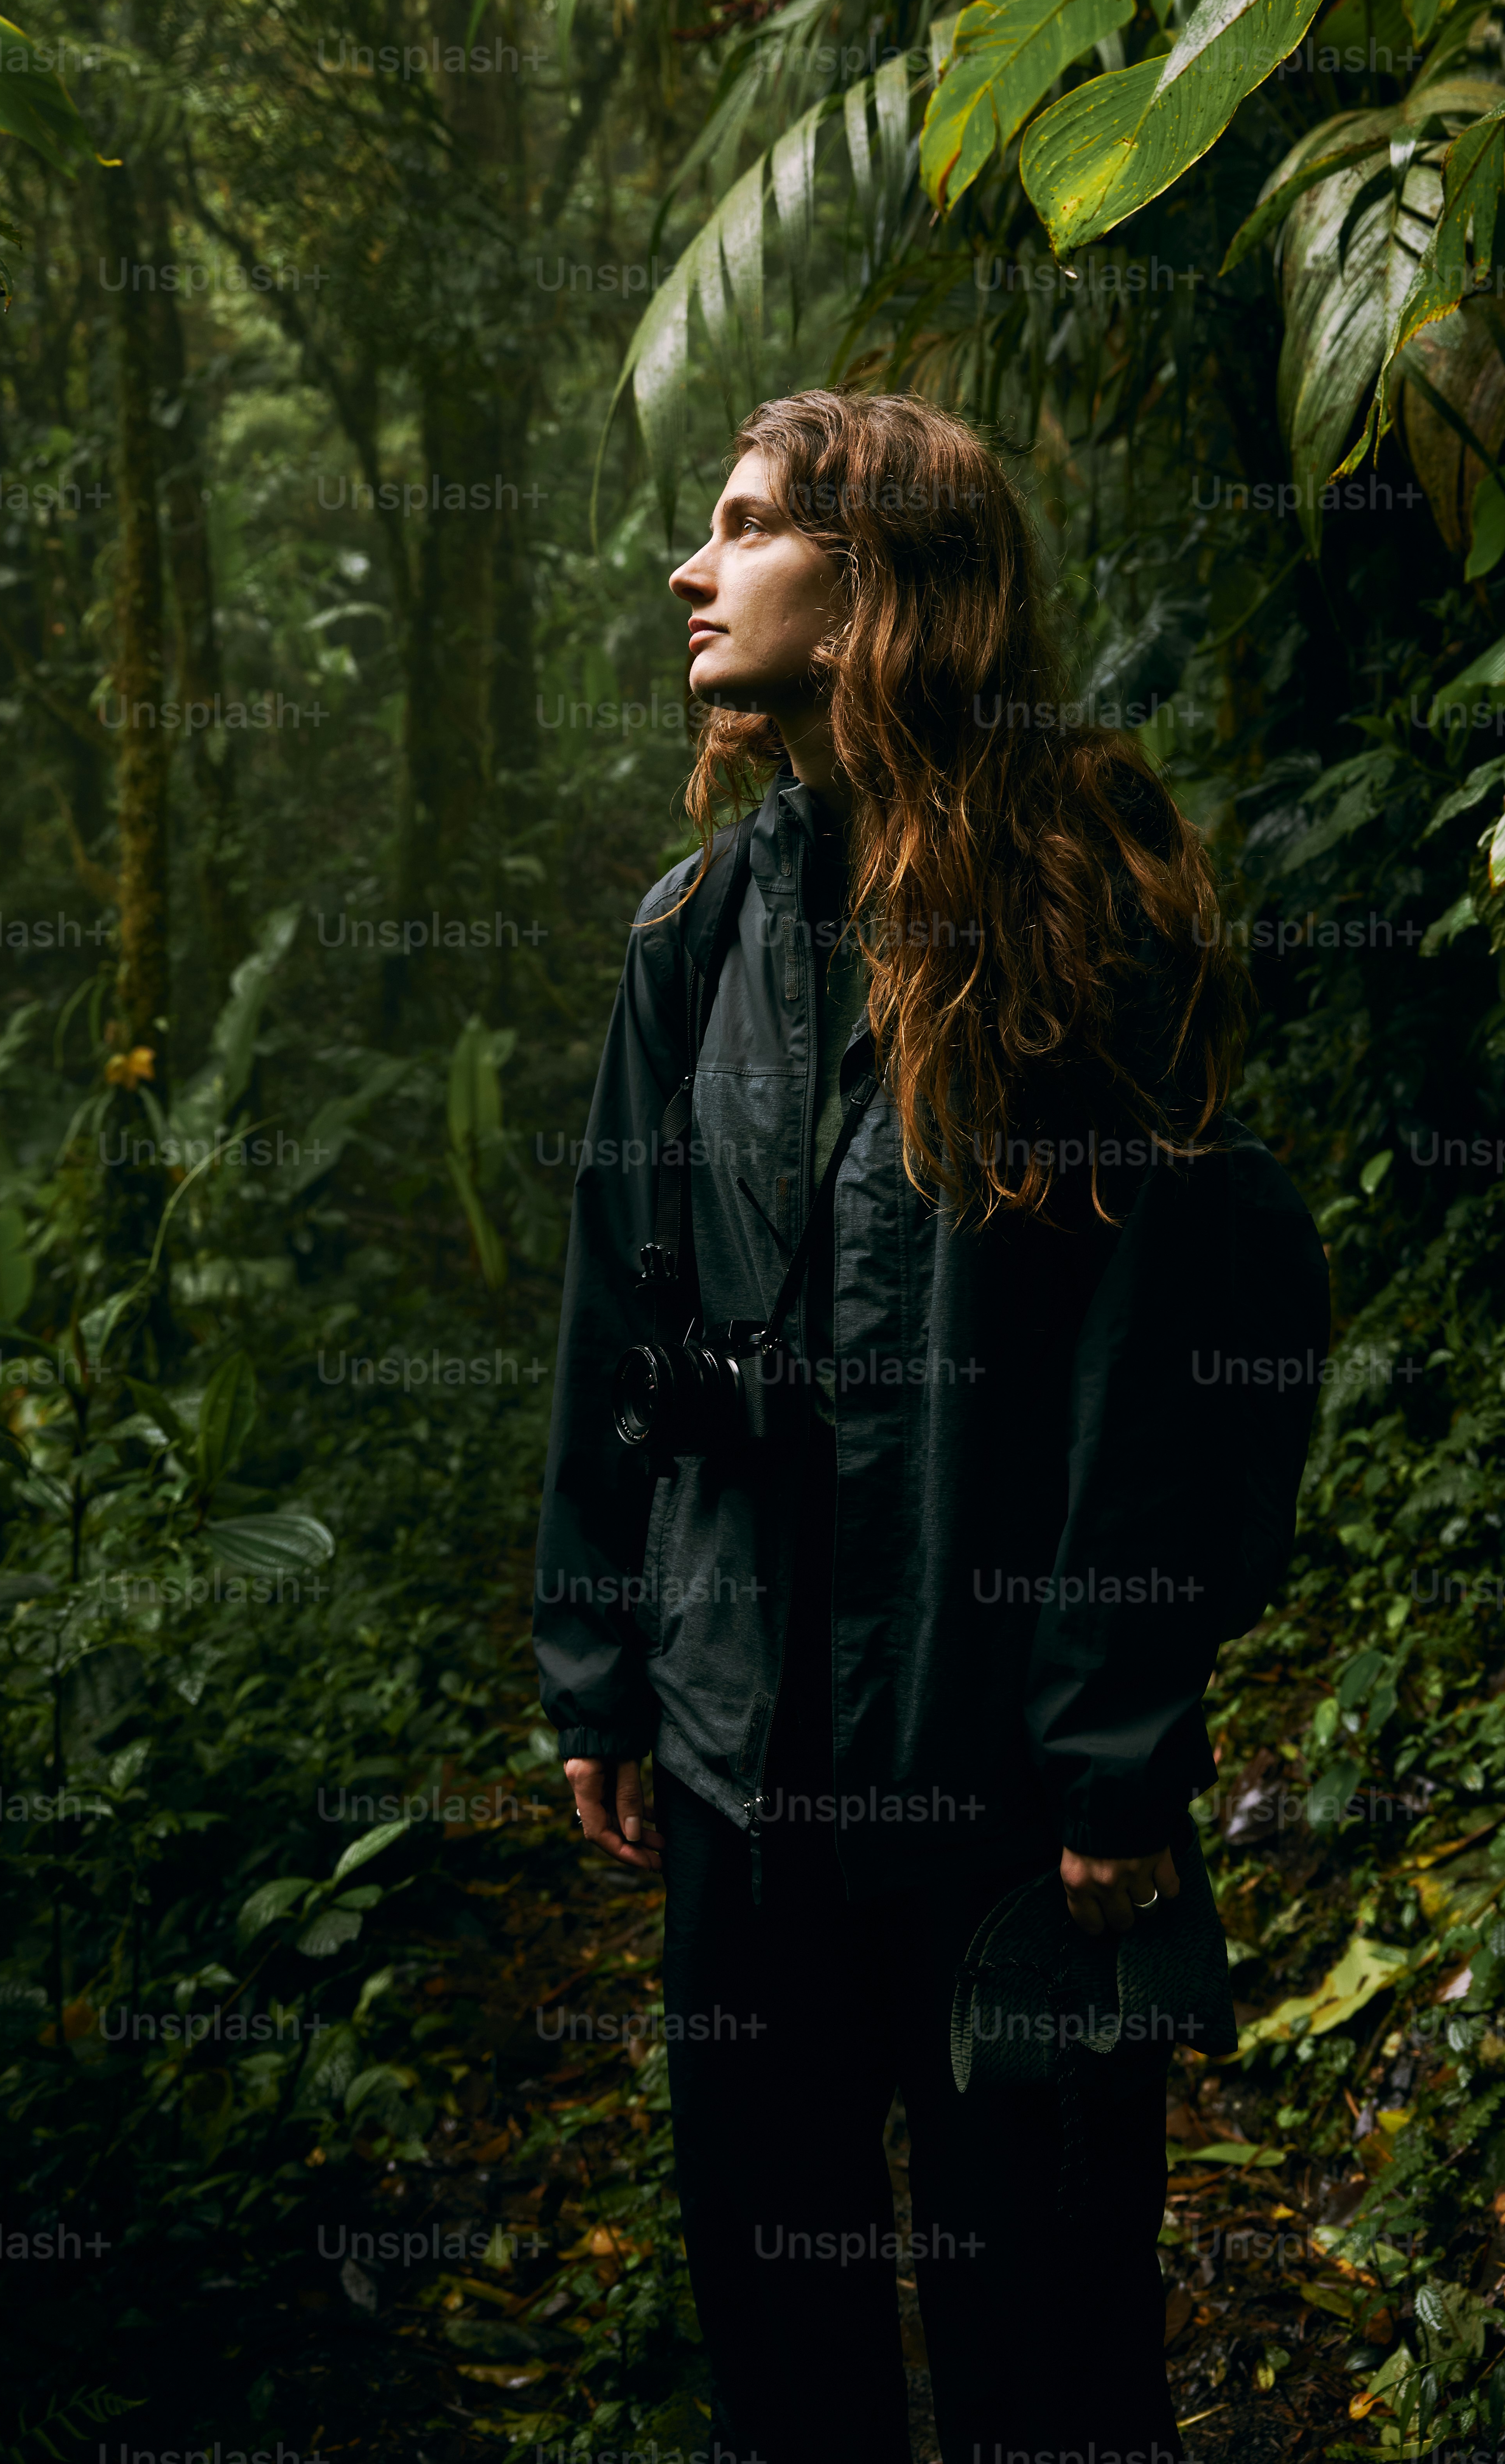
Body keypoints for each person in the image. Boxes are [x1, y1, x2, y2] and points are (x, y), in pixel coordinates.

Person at [533, 391, 1329, 2463]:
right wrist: (596, 1659)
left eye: (742, 529)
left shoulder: (1087, 906)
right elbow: (613, 1318)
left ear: (879, 579)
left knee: (1050, 2349)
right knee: (781, 2331)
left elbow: (1163, 1376)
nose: (690, 574)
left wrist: (1116, 1748)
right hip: (742, 1756)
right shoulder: (687, 936)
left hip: (1000, 1786)